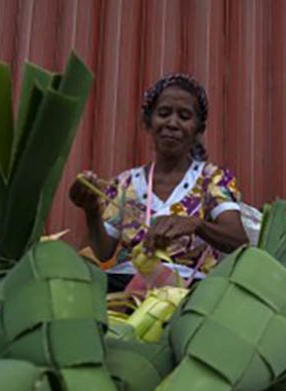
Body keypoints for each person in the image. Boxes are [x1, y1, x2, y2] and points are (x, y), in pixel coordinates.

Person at [69, 74, 248, 292]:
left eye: (184, 116)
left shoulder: (212, 179)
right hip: (126, 284)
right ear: (148, 122)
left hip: (188, 288)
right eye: (164, 113)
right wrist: (91, 211)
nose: (172, 123)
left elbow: (238, 240)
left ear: (198, 129)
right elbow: (101, 252)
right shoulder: (125, 183)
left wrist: (197, 225)